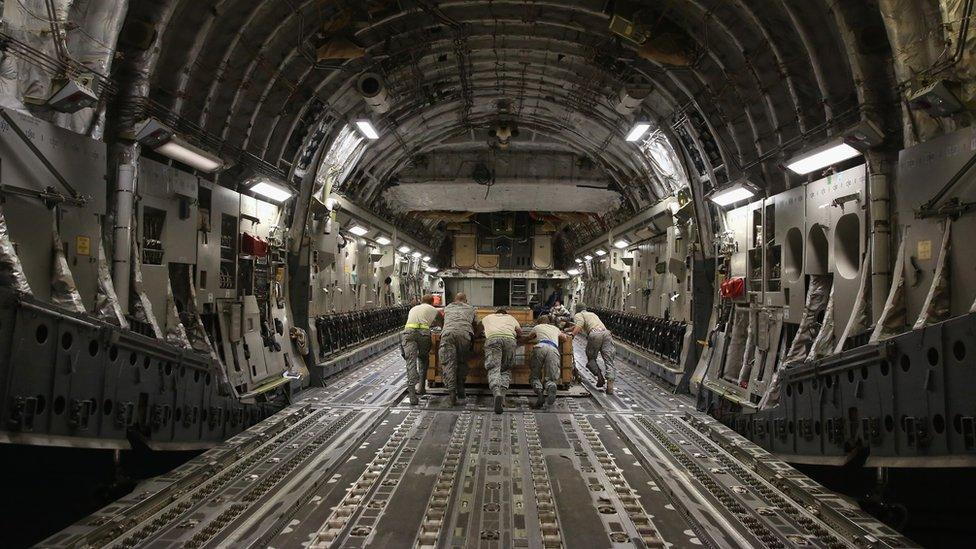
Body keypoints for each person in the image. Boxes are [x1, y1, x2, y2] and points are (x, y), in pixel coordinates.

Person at [437, 292, 479, 406]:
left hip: (448, 334)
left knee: (448, 364)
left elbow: (442, 320)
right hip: (464, 335)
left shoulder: (448, 308)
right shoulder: (471, 309)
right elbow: (476, 325)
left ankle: (452, 396)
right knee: (462, 362)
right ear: (466, 300)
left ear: (455, 299)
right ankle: (461, 389)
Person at [481, 308, 522, 414]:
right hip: (509, 340)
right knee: (506, 368)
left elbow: (477, 329)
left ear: (496, 313)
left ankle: (496, 392)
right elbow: (519, 332)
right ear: (505, 314)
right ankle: (502, 395)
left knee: (494, 368)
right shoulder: (511, 318)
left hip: (493, 339)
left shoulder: (488, 317)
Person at [571, 304, 615, 395]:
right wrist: (570, 328)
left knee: (591, 358)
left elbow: (579, 325)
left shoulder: (578, 315)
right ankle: (610, 385)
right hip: (606, 333)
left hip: (595, 334)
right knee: (608, 360)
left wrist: (571, 335)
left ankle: (600, 377)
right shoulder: (592, 314)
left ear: (577, 309)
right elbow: (580, 325)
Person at [401, 294, 438, 405]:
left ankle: (412, 395)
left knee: (411, 362)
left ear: (421, 301)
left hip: (408, 333)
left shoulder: (413, 308)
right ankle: (421, 387)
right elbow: (443, 323)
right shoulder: (434, 310)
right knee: (423, 358)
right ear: (432, 302)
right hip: (423, 335)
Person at [527, 315, 568, 410]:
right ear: (548, 322)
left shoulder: (537, 327)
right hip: (553, 349)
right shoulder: (555, 328)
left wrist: (521, 340)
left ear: (539, 322)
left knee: (535, 375)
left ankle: (540, 393)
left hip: (540, 347)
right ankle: (551, 386)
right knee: (551, 377)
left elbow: (529, 337)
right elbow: (565, 338)